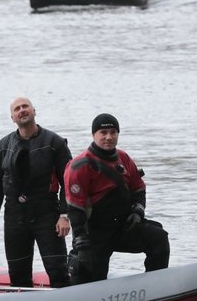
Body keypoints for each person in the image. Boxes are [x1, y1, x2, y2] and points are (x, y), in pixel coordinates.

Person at [63, 113, 169, 285]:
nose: (108, 137)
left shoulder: (124, 158)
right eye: (103, 133)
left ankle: (156, 288)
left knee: (158, 238)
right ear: (93, 135)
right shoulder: (80, 166)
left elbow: (139, 188)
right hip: (95, 233)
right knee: (89, 276)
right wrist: (81, 243)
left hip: (124, 227)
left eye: (113, 132)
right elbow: (75, 209)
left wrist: (137, 213)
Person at [0, 97, 72, 288]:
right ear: (12, 117)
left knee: (58, 270)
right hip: (15, 215)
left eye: (25, 107)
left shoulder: (54, 142)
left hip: (47, 213)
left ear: (34, 111)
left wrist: (65, 215)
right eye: (17, 109)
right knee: (18, 274)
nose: (22, 110)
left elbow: (68, 181)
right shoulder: (3, 145)